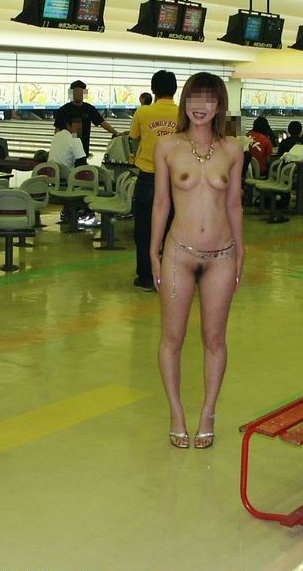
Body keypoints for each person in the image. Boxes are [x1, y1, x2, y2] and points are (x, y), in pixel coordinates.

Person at [151, 72, 243, 450]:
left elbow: (234, 205)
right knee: (173, 338)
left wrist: (242, 251)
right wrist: (153, 252)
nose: (200, 106)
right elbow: (161, 203)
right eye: (193, 98)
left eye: (208, 99)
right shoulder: (167, 147)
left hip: (222, 255)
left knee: (214, 339)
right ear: (184, 102)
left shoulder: (233, 149)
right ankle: (176, 412)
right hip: (179, 254)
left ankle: (208, 412)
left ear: (219, 105)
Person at [129, 70, 179, 293]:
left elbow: (133, 138)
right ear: (175, 89)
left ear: (153, 89)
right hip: (175, 181)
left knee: (144, 231)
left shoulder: (143, 111)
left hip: (148, 179)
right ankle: (169, 278)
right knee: (173, 232)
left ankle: (146, 278)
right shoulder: (183, 114)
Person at [53, 80, 123, 155]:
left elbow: (102, 122)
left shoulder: (89, 108)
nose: (78, 95)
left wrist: (116, 133)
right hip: (66, 150)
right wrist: (56, 147)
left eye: (81, 92)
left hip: (83, 149)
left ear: (84, 94)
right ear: (71, 93)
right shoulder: (63, 110)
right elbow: (57, 130)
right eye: (76, 92)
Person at [47, 112, 87, 180]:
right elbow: (81, 163)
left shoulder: (57, 135)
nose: (78, 128)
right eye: (76, 125)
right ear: (68, 125)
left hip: (50, 173)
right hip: (65, 176)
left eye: (79, 125)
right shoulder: (75, 139)